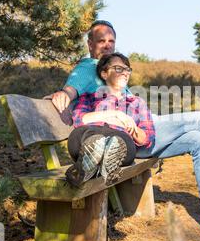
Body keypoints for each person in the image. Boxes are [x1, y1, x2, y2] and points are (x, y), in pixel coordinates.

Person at [50, 20, 200, 236]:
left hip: (140, 131)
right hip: (122, 137)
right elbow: (72, 88)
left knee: (199, 139)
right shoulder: (88, 67)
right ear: (90, 44)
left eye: (111, 41)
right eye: (101, 41)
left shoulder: (113, 70)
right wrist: (64, 94)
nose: (107, 45)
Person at [66, 52, 155, 187]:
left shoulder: (137, 102)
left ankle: (87, 168)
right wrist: (116, 115)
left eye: (127, 70)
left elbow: (146, 139)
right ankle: (102, 161)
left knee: (119, 142)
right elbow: (79, 120)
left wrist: (132, 128)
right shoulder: (90, 97)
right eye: (119, 69)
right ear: (104, 74)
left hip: (121, 139)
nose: (125, 73)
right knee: (86, 136)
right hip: (87, 136)